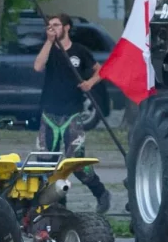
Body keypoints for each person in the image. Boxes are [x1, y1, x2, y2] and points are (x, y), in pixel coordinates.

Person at [33, 13, 111, 214]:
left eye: (56, 25)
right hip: (49, 114)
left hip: (72, 115)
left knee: (76, 163)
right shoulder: (49, 49)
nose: (52, 29)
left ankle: (101, 193)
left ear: (66, 28)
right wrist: (49, 42)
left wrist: (90, 83)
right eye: (49, 26)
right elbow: (37, 66)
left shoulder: (80, 51)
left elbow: (100, 70)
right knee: (45, 165)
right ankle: (57, 203)